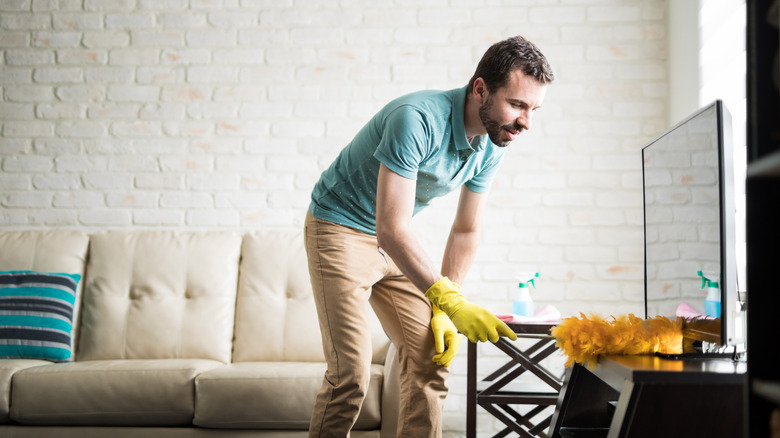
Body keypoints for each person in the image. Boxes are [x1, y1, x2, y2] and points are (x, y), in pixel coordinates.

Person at [304, 35, 554, 437]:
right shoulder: (415, 118)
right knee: (350, 375)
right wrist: (450, 301)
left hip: (392, 238)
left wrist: (444, 303)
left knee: (431, 358)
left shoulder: (493, 142)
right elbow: (391, 229)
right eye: (518, 104)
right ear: (480, 89)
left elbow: (466, 228)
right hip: (339, 227)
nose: (526, 121)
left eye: (534, 109)